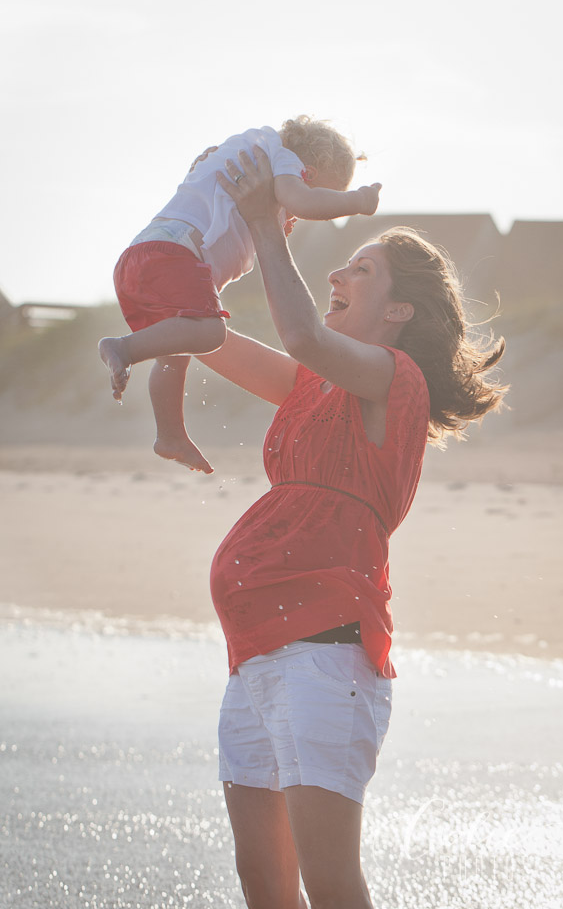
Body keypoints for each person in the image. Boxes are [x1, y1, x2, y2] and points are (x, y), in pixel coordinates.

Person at [193, 147, 508, 909]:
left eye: (359, 271)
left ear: (398, 311)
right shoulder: (313, 387)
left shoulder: (394, 382)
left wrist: (273, 230)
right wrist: (175, 260)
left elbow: (301, 336)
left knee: (330, 884)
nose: (337, 276)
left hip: (325, 657)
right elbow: (201, 335)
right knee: (263, 882)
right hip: (257, 655)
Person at [98, 117, 381, 473]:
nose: (306, 212)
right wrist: (357, 201)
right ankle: (123, 348)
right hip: (175, 255)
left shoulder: (243, 152)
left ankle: (169, 434)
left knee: (174, 353)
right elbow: (304, 201)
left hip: (141, 256)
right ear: (307, 173)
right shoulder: (282, 162)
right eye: (327, 195)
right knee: (209, 333)